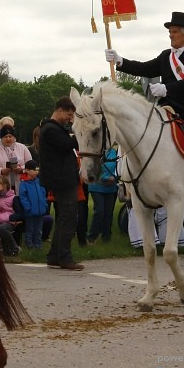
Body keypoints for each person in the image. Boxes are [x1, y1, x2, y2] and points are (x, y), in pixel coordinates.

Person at [105, 11, 184, 203]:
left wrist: (167, 88)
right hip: (165, 106)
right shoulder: (166, 56)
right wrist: (120, 61)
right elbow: (145, 68)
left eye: (174, 31)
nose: (170, 35)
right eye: (170, 32)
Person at [38, 96, 84, 271]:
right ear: (60, 110)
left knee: (64, 218)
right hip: (61, 179)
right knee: (69, 218)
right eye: (69, 114)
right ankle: (65, 257)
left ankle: (54, 255)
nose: (70, 119)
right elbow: (67, 145)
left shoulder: (52, 128)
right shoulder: (51, 129)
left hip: (62, 177)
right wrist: (81, 131)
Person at [87, 146, 120, 244]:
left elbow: (119, 167)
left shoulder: (115, 152)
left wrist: (115, 177)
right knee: (100, 211)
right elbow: (91, 169)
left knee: (108, 213)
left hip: (111, 187)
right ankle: (92, 237)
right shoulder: (95, 152)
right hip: (97, 185)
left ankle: (106, 237)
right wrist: (104, 178)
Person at [0, 125, 32, 191]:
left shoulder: (22, 147)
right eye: (5, 137)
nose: (8, 139)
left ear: (14, 137)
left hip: (21, 186)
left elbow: (30, 164)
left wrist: (21, 170)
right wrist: (1, 171)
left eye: (10, 136)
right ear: (1, 138)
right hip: (1, 188)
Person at [15, 161, 48, 249]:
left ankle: (38, 245)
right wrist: (28, 208)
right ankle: (29, 245)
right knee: (30, 229)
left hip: (40, 210)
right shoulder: (24, 184)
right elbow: (23, 197)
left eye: (37, 170)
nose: (36, 172)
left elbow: (43, 194)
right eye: (34, 170)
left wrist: (44, 205)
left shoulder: (39, 182)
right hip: (30, 212)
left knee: (38, 229)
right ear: (27, 170)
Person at [0, 176, 20, 257]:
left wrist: (11, 218)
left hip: (10, 220)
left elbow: (19, 212)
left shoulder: (13, 198)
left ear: (5, 186)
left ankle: (14, 248)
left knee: (2, 228)